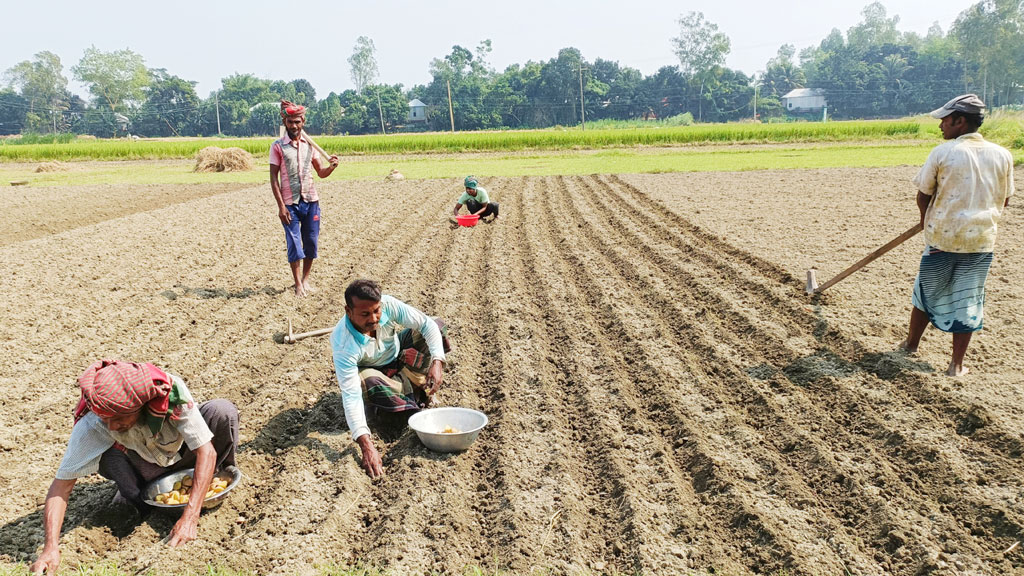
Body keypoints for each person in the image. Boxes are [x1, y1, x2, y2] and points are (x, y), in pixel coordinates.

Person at [31, 360, 239, 574]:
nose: (112, 426)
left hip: (185, 455)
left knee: (222, 411)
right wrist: (50, 548)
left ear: (142, 405)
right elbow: (61, 486)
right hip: (146, 470)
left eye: (119, 418)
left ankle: (216, 478)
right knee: (105, 456)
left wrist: (189, 518)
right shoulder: (94, 422)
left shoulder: (169, 393)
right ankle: (139, 500)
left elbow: (206, 451)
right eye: (106, 420)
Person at [899, 94, 1014, 376]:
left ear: (960, 121)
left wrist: (927, 221)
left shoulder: (943, 153)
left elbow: (923, 194)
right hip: (981, 241)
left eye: (945, 120)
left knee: (926, 292)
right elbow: (1005, 200)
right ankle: (956, 365)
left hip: (943, 239)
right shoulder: (1003, 154)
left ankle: (911, 345)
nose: (940, 125)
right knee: (968, 299)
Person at [330, 279, 450, 478]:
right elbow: (350, 395)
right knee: (364, 384)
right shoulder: (344, 343)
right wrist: (366, 446)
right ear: (348, 311)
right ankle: (409, 400)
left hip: (396, 354)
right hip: (374, 372)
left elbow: (426, 324)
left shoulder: (389, 305)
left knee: (437, 326)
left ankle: (413, 385)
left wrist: (438, 362)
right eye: (365, 314)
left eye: (376, 311)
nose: (374, 319)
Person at [270, 100, 339, 297]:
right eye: (290, 122)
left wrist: (332, 166)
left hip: (311, 201)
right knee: (294, 243)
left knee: (311, 241)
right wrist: (281, 207)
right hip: (290, 204)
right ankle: (297, 284)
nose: (294, 126)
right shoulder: (278, 147)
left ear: (303, 121)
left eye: (297, 122)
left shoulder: (310, 147)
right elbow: (273, 179)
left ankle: (306, 280)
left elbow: (321, 172)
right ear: (285, 122)